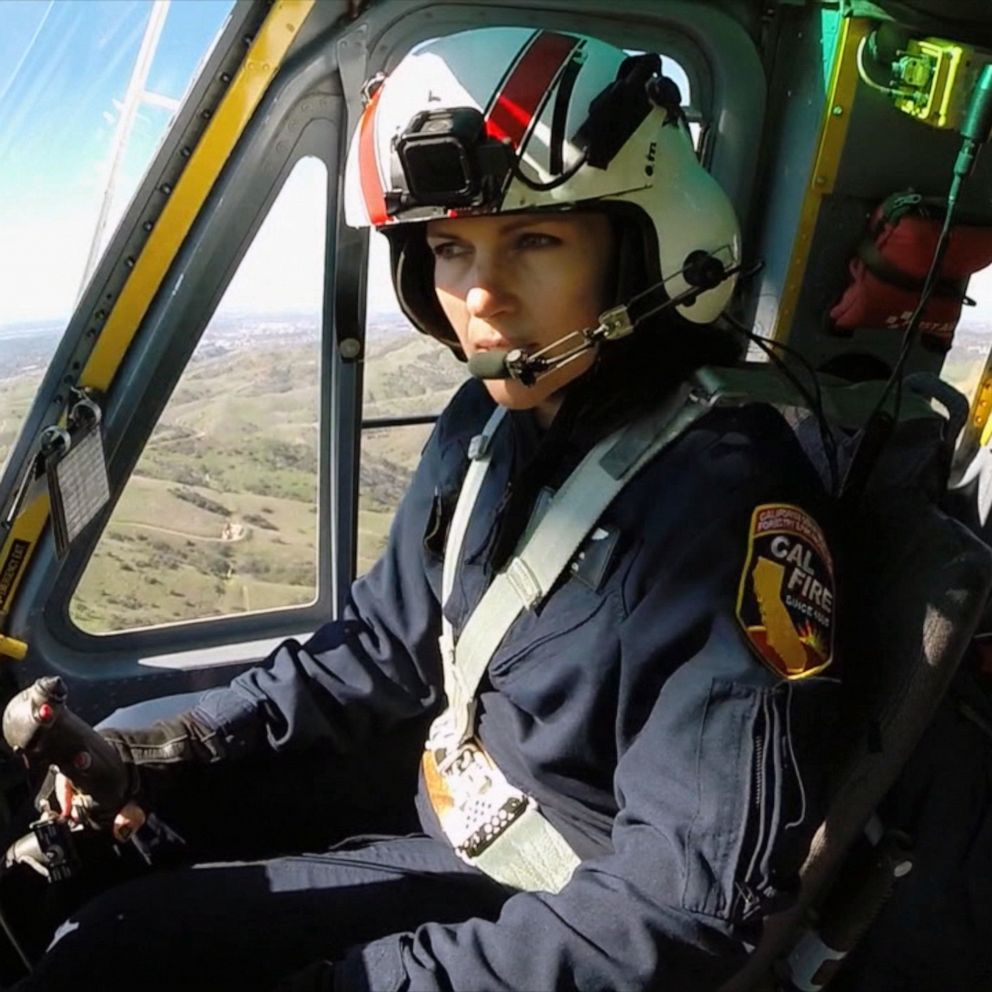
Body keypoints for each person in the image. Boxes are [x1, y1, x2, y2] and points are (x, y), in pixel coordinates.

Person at [14, 27, 841, 992]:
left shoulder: (732, 511)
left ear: (645, 249)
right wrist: (179, 744)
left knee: (116, 953)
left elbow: (682, 907)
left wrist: (364, 982)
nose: (481, 295)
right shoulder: (489, 426)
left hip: (546, 901)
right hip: (440, 800)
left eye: (535, 240)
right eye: (451, 248)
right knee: (114, 801)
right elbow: (377, 645)